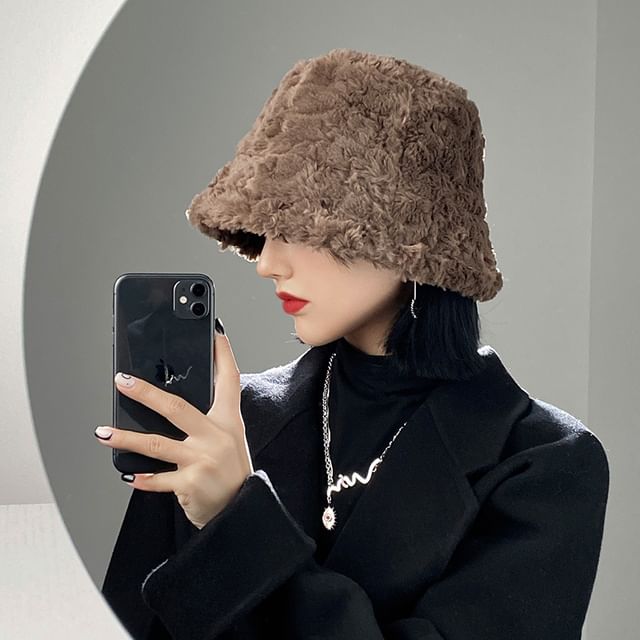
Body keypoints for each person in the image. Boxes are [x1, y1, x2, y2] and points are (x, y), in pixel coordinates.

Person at [99, 48, 610, 639]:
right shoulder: (222, 426)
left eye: (299, 225)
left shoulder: (545, 463)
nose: (267, 262)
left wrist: (235, 519)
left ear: (408, 235)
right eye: (265, 230)